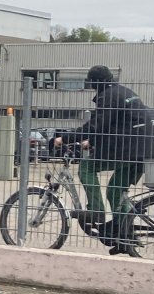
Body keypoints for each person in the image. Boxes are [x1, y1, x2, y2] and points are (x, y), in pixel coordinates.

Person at [53, 65, 146, 254]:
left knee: (86, 167)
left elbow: (97, 125)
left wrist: (65, 139)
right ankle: (124, 234)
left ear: (96, 82)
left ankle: (96, 210)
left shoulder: (109, 96)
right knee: (114, 191)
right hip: (142, 149)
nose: (91, 87)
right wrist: (91, 141)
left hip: (126, 150)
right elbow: (113, 123)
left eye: (91, 83)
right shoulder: (124, 92)